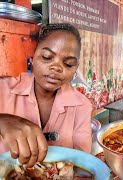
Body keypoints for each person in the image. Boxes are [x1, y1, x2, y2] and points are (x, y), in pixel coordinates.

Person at [0, 23, 93, 167]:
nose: (56, 67)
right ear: (32, 57)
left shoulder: (82, 106)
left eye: (68, 64)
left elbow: (83, 163)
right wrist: (2, 121)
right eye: (47, 57)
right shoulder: (4, 89)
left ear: (76, 68)